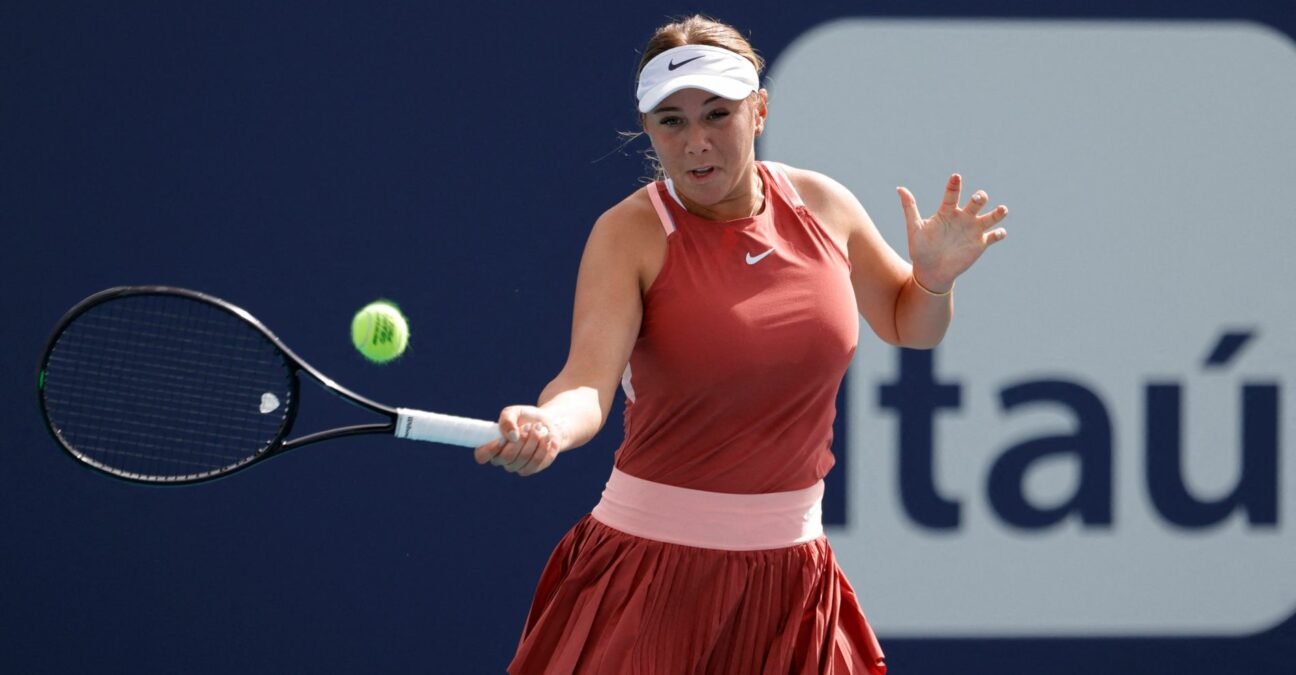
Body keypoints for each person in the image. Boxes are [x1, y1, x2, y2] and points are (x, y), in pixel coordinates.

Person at [473, 15, 1009, 675]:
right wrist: (548, 423)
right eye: (671, 121)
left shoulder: (823, 205)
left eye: (717, 114)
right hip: (651, 574)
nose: (696, 142)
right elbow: (587, 382)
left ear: (759, 110)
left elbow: (909, 326)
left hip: (793, 576)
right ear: (647, 129)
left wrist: (930, 281)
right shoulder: (629, 234)